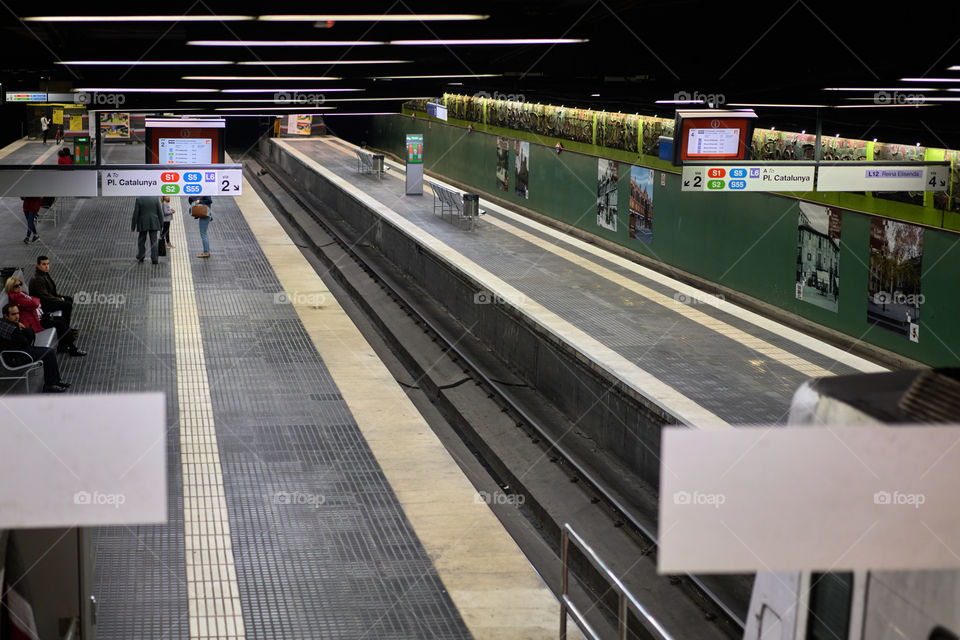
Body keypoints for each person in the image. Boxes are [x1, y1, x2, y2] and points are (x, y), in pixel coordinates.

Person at [5, 277, 85, 356]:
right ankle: (72, 349)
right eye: (16, 286)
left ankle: (63, 346)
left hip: (38, 317)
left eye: (20, 284)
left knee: (61, 321)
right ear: (11, 287)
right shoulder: (16, 297)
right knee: (60, 324)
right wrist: (34, 301)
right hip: (35, 322)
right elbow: (35, 303)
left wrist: (34, 301)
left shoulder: (21, 293)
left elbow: (35, 300)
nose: (19, 287)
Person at [0, 304, 70, 392]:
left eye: (18, 313)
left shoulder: (4, 323)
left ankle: (56, 381)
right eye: (13, 314)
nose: (17, 316)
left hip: (16, 351)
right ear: (6, 315)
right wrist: (24, 329)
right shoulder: (13, 329)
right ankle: (50, 384)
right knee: (49, 353)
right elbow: (27, 342)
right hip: (17, 356)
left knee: (49, 352)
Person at [29, 255, 76, 331]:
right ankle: (66, 330)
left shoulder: (44, 273)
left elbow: (50, 292)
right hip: (43, 304)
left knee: (69, 299)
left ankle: (66, 327)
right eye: (44, 264)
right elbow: (44, 296)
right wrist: (59, 299)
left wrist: (58, 297)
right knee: (67, 305)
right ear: (38, 265)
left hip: (48, 300)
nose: (47, 266)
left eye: (48, 264)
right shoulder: (37, 279)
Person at [131, 196, 164, 264]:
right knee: (154, 241)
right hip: (153, 222)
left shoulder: (139, 199)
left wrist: (133, 226)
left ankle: (141, 256)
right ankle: (154, 259)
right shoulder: (155, 199)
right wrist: (161, 224)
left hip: (143, 223)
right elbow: (160, 212)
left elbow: (136, 213)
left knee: (141, 240)